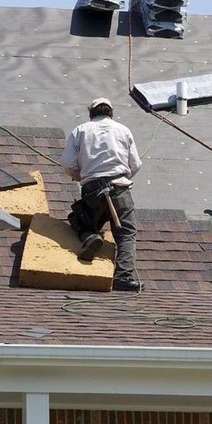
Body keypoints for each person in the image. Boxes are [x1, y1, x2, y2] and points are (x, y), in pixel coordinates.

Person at [61, 97, 143, 291]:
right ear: (111, 113)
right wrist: (123, 176)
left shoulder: (80, 130)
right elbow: (136, 164)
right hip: (119, 188)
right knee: (126, 232)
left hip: (92, 191)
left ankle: (89, 236)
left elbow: (67, 163)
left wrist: (81, 177)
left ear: (91, 114)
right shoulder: (123, 130)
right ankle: (123, 276)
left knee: (82, 222)